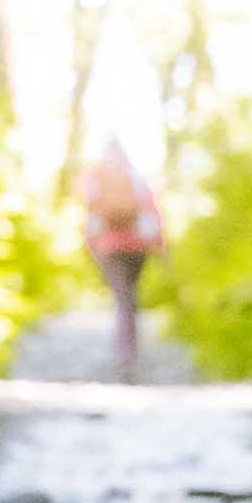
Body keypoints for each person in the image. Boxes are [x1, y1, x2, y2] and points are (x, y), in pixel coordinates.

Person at [81, 138, 165, 382]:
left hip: (109, 247)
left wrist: (91, 244)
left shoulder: (96, 177)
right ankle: (130, 353)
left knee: (122, 298)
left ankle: (125, 356)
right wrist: (159, 243)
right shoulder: (135, 176)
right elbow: (152, 210)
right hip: (137, 246)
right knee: (130, 297)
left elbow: (90, 212)